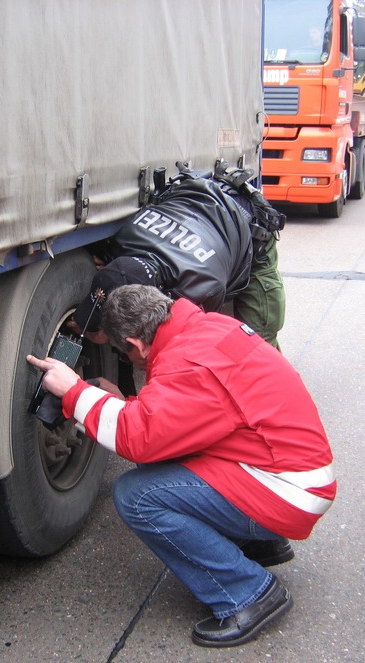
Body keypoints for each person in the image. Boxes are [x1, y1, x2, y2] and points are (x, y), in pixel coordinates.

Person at [27, 285, 335, 648]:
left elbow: (139, 439)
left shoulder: (187, 364)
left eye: (123, 352)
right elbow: (182, 419)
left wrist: (75, 392)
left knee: (137, 496)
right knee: (168, 461)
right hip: (285, 468)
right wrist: (123, 400)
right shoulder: (205, 330)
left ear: (136, 345)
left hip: (287, 490)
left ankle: (248, 593)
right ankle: (258, 544)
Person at [70, 161, 286, 350]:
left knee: (255, 345)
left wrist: (109, 335)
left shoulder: (201, 288)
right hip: (202, 204)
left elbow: (187, 347)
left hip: (249, 226)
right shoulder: (122, 239)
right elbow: (120, 272)